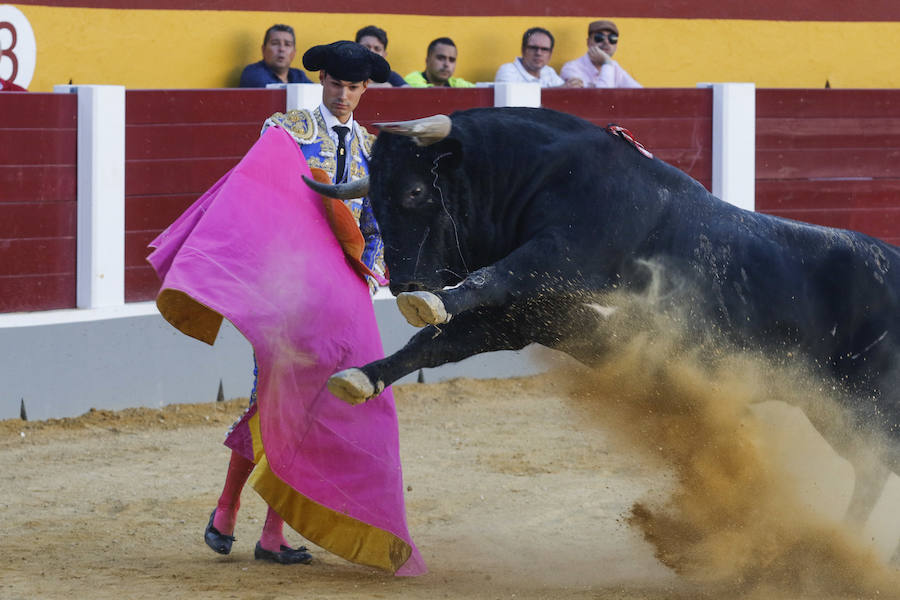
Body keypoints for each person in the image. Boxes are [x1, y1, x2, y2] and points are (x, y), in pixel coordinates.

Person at [204, 41, 395, 565]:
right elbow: (257, 204)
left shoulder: (374, 150)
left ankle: (268, 531)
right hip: (285, 294)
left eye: (355, 87)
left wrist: (371, 271)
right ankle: (228, 509)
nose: (344, 95)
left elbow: (377, 227)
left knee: (310, 410)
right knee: (273, 403)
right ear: (322, 82)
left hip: (342, 302)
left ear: (365, 89)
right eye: (336, 84)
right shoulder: (284, 133)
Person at [560, 19, 641, 88]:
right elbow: (602, 97)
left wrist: (607, 63)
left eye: (612, 38)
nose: (606, 42)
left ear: (616, 45)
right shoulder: (571, 68)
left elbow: (639, 92)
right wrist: (607, 63)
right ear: (588, 42)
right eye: (599, 37)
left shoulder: (615, 67)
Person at [494, 27, 577, 88]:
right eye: (533, 48)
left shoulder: (549, 71)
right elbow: (518, 102)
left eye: (544, 49)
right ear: (523, 50)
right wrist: (559, 90)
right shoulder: (507, 71)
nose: (538, 53)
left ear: (550, 54)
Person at [239, 24, 312, 87]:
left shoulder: (299, 76)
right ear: (263, 49)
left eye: (287, 44)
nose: (282, 49)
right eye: (275, 43)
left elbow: (316, 94)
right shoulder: (252, 73)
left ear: (294, 52)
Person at [404, 37, 474, 88]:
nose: (446, 64)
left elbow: (481, 90)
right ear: (427, 61)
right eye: (440, 58)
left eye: (451, 60)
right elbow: (429, 93)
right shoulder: (413, 80)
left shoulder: (455, 83)